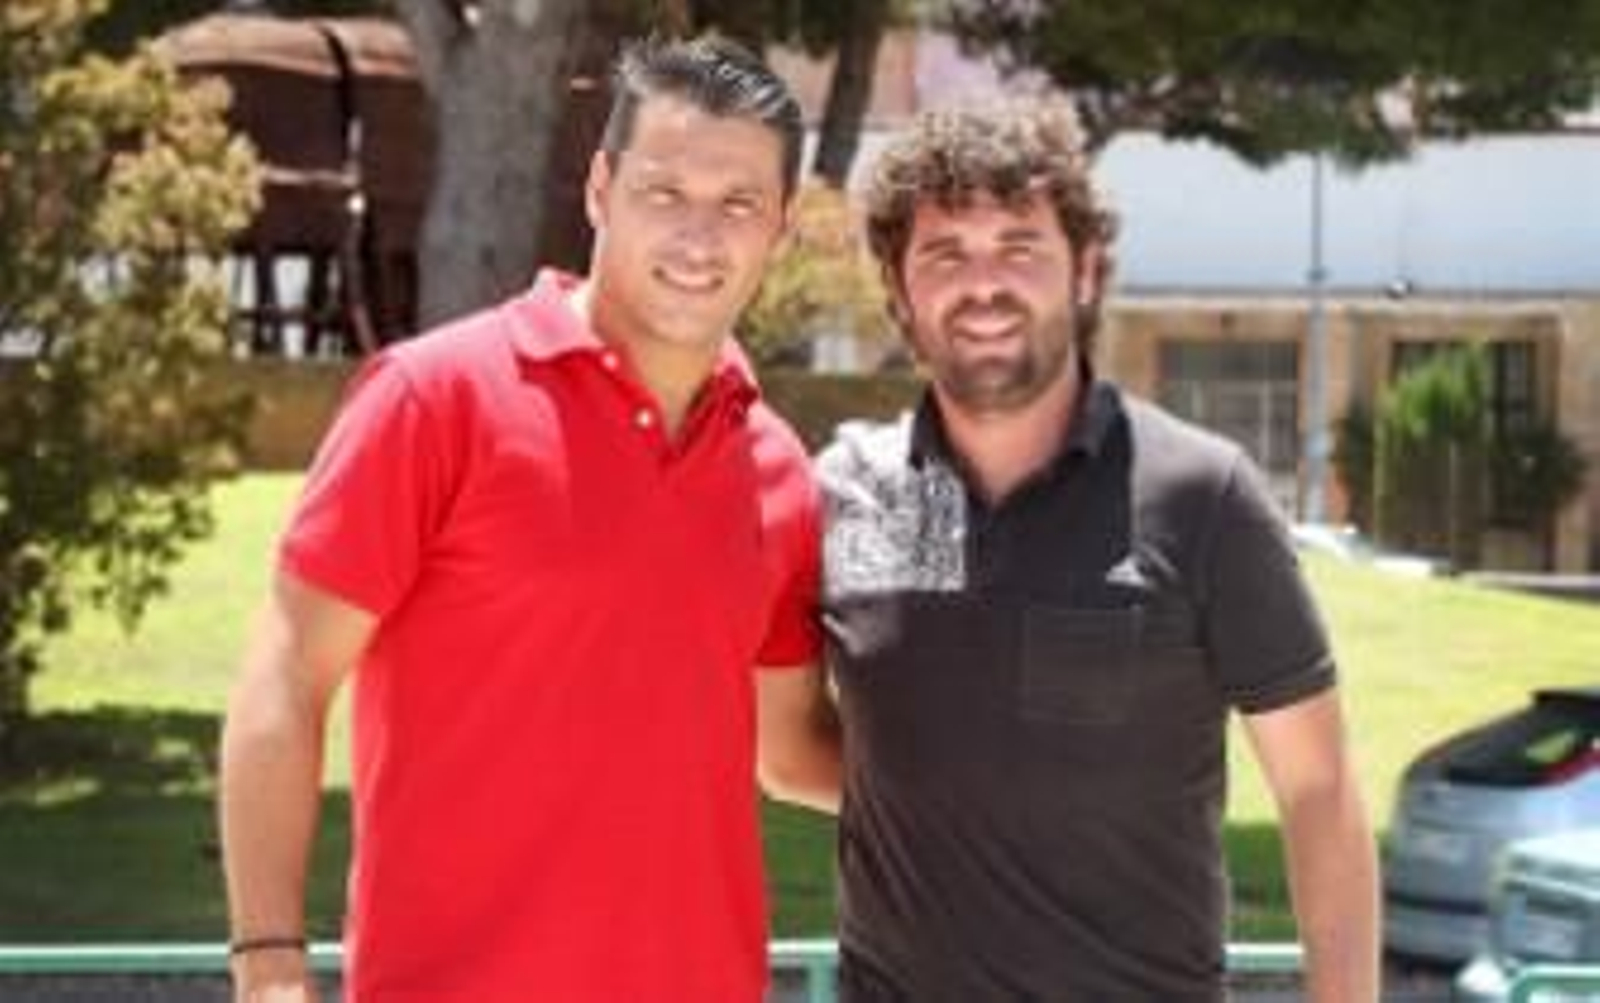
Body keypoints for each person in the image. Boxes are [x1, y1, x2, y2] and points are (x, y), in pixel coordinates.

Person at [219, 36, 839, 1003]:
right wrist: (269, 969)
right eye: (664, 193)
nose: (699, 237)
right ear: (600, 190)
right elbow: (288, 675)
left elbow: (793, 749)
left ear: (781, 228)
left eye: (739, 204)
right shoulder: (434, 400)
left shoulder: (777, 469)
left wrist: (1023, 792)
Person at [814, 99, 1380, 1001]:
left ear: (1085, 271)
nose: (984, 284)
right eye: (945, 254)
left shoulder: (1203, 496)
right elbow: (786, 746)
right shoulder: (853, 493)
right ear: (898, 291)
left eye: (1020, 247)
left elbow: (1319, 791)